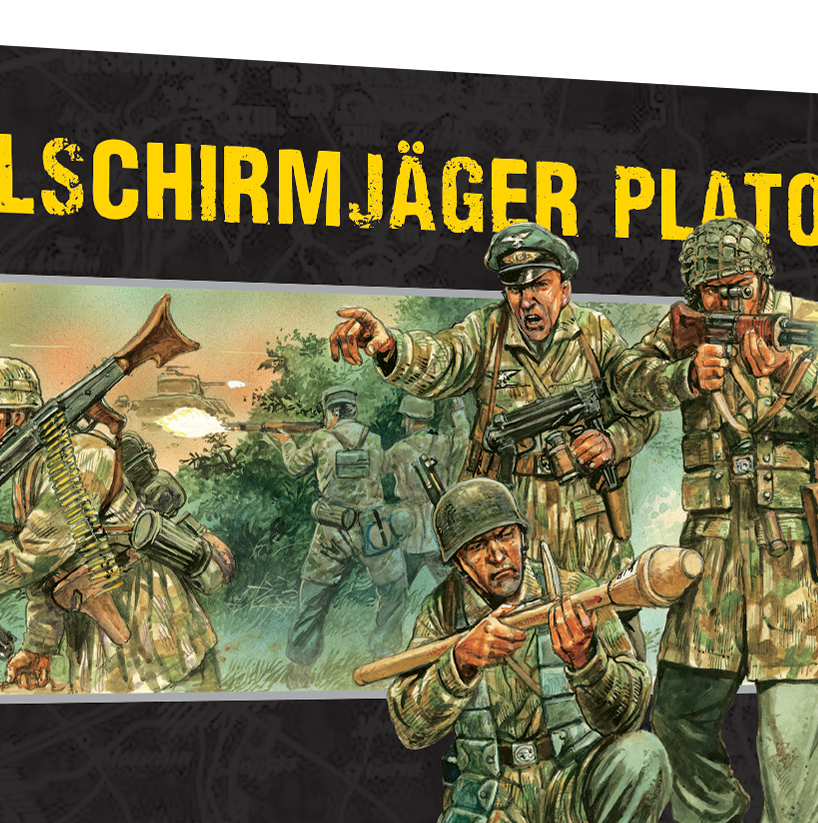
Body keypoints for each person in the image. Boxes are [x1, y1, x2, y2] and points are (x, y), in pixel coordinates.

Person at [606, 216, 818, 823]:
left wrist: (790, 373)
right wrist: (685, 375)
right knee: (677, 712)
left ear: (764, 277)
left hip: (797, 569)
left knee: (790, 746)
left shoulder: (809, 325)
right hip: (713, 558)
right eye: (711, 292)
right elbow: (624, 383)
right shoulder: (683, 330)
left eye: (739, 287)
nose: (727, 301)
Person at [386, 478, 670, 823]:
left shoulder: (578, 592)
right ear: (458, 562)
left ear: (522, 533)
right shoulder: (440, 615)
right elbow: (410, 728)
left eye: (505, 536)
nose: (498, 555)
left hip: (574, 784)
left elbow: (630, 711)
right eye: (477, 546)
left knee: (643, 757)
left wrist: (586, 661)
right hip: (491, 801)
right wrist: (460, 665)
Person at [328, 221, 656, 601]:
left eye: (540, 285)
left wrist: (613, 442)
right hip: (504, 517)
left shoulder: (593, 333)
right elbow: (444, 358)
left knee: (607, 609)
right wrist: (391, 348)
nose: (528, 300)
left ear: (564, 290)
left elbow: (642, 404)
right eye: (515, 288)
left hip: (586, 516)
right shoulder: (487, 331)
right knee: (505, 625)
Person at [0, 358, 225, 693]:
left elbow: (39, 552)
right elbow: (49, 572)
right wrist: (39, 647)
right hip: (98, 636)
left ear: (17, 415)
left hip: (160, 635)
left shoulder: (81, 455)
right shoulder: (31, 469)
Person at [272, 383, 408, 687]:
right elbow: (384, 468)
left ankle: (299, 669)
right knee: (393, 590)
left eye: (326, 414)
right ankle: (385, 661)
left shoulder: (320, 438)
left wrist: (285, 441)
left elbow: (294, 466)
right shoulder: (373, 439)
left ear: (332, 412)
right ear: (353, 410)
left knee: (313, 596)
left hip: (333, 530)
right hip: (375, 528)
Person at [382, 394, 464, 591]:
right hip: (439, 524)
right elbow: (462, 439)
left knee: (408, 585)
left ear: (412, 420)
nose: (403, 424)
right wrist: (459, 412)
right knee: (447, 583)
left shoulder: (399, 449)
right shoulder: (443, 441)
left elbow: (380, 467)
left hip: (410, 529)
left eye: (405, 419)